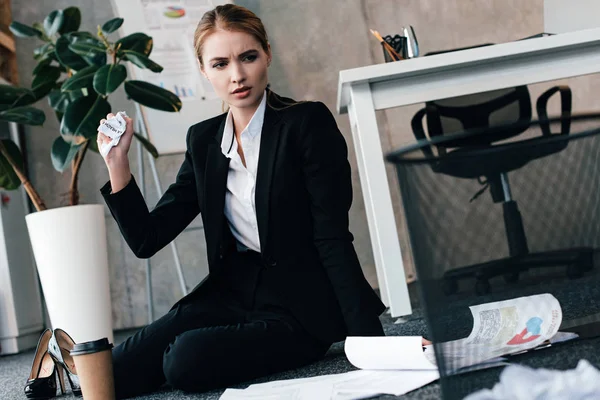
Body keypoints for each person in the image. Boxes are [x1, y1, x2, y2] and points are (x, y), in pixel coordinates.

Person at [97, 4, 385, 398]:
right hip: (231, 293)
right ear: (203, 71)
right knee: (112, 374)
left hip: (297, 308)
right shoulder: (204, 141)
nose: (237, 76)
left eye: (247, 57)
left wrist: (374, 342)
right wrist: (117, 164)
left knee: (183, 362)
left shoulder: (306, 124)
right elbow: (148, 238)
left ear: (267, 53)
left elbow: (332, 238)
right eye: (220, 64)